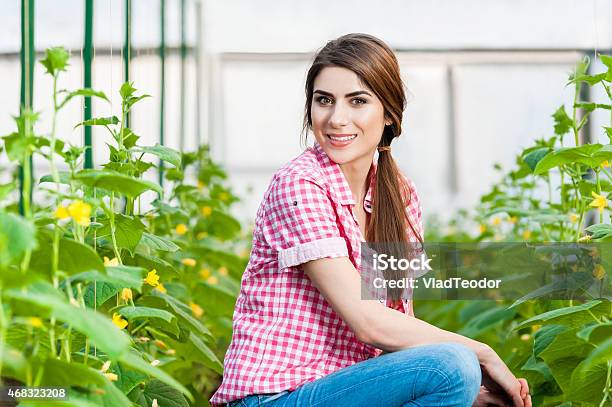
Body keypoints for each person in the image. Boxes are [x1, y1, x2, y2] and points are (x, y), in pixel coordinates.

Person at [210, 33, 532, 407]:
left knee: (455, 373)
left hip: (340, 389)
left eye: (357, 101)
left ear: (390, 113)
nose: (336, 119)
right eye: (323, 100)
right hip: (273, 397)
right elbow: (369, 322)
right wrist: (483, 353)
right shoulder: (299, 185)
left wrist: (468, 396)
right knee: (455, 363)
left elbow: (397, 327)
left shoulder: (399, 195)